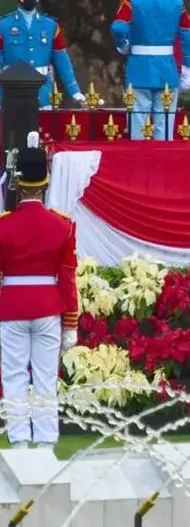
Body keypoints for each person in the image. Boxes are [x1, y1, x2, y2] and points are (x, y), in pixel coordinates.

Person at [0, 132, 79, 449]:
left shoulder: (3, 225)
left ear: (18, 184)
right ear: (45, 183)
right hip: (48, 307)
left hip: (12, 308)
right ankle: (46, 442)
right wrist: (71, 323)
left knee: (14, 376)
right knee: (46, 377)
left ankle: (19, 441)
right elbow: (68, 278)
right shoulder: (63, 225)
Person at [110, 0, 190, 141]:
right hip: (167, 68)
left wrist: (122, 44)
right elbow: (187, 35)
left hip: (139, 68)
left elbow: (118, 28)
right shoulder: (176, 1)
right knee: (164, 130)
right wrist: (188, 69)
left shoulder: (130, 0)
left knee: (138, 128)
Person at [0, 0, 85, 110]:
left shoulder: (50, 25)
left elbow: (62, 61)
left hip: (43, 94)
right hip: (12, 94)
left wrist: (74, 91)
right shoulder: (3, 25)